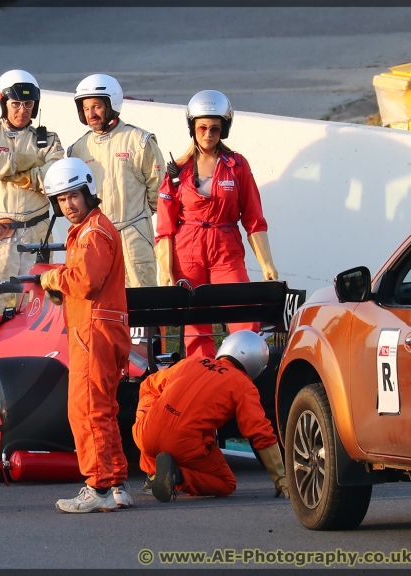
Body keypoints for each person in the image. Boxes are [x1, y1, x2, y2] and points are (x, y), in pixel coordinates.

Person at [38, 158, 132, 513]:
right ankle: (117, 482)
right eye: (61, 200)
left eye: (73, 196)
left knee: (87, 410)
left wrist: (52, 278)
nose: (68, 205)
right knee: (104, 409)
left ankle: (98, 486)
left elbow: (85, 282)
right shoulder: (95, 228)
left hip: (92, 329)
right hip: (103, 326)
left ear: (88, 191)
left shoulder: (93, 232)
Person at [156, 90, 279, 357]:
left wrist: (267, 263)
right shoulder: (178, 169)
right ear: (192, 128)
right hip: (187, 251)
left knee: (244, 317)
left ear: (224, 129)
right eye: (202, 127)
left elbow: (254, 219)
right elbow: (164, 227)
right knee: (196, 325)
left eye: (215, 128)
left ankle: (244, 376)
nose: (208, 134)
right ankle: (201, 380)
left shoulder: (237, 166)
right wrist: (165, 269)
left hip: (226, 249)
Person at [132, 330, 289, 503]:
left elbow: (148, 386)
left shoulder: (190, 363)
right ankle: (177, 476)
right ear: (256, 364)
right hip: (184, 444)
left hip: (145, 434)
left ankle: (153, 471)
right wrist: (280, 477)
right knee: (226, 483)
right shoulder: (243, 385)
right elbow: (260, 433)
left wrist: (148, 418)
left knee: (157, 407)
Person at [0, 69, 64, 314]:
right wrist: (33, 163)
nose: (23, 111)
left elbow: (54, 176)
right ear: (2, 103)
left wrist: (13, 169)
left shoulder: (48, 139)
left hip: (38, 234)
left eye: (29, 104)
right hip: (0, 233)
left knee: (39, 307)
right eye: (16, 104)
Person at [67, 74, 166, 288]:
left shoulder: (139, 141)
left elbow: (158, 190)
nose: (91, 114)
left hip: (133, 235)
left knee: (143, 302)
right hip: (95, 236)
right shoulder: (78, 150)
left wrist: (137, 215)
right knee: (99, 300)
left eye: (96, 107)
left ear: (112, 104)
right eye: (86, 109)